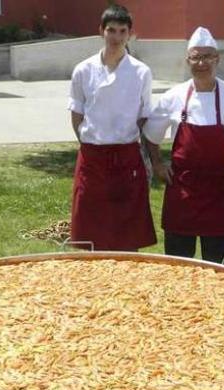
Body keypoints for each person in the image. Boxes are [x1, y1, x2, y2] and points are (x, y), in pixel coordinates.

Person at [143, 27, 224, 264]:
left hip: (220, 192)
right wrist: (158, 164)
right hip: (182, 192)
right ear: (187, 60)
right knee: (179, 264)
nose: (201, 63)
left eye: (207, 56)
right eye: (195, 57)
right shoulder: (174, 96)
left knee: (217, 265)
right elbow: (151, 136)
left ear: (217, 59)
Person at [68, 4, 156, 251]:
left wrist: (145, 156)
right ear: (101, 31)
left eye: (122, 31)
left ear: (129, 34)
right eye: (111, 30)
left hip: (127, 158)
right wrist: (89, 141)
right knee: (90, 228)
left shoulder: (141, 72)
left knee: (126, 232)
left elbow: (144, 116)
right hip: (92, 158)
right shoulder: (83, 70)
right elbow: (76, 113)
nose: (116, 37)